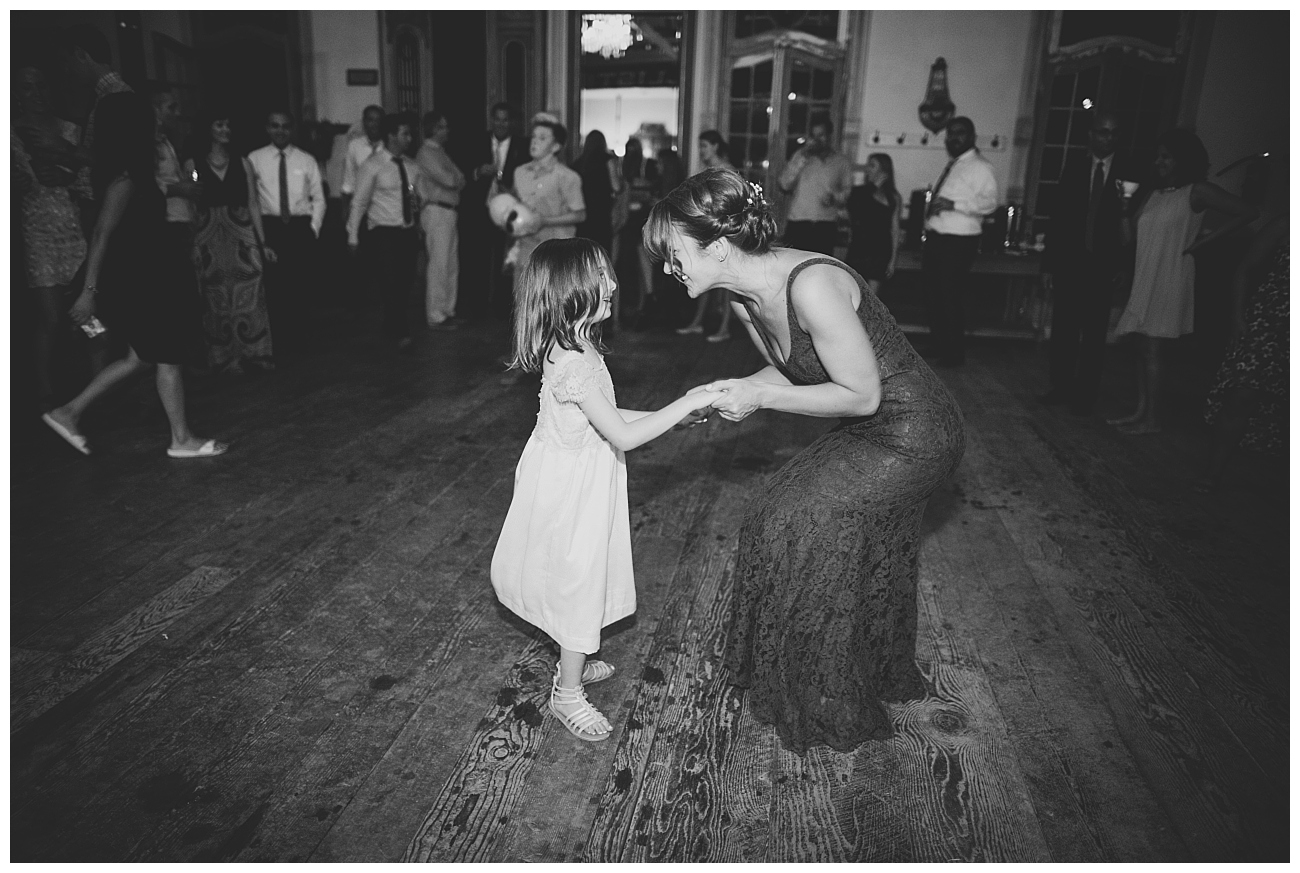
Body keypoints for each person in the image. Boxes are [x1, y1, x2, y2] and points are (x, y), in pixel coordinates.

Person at [643, 168, 965, 753]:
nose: (668, 268)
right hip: (871, 427)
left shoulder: (811, 285)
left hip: (915, 431)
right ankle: (839, 673)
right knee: (773, 516)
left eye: (673, 252)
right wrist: (728, 389)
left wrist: (759, 397)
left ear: (717, 245)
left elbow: (861, 395)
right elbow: (794, 370)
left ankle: (828, 696)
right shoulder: (744, 298)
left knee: (800, 520)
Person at [490, 237, 726, 742]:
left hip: (582, 472)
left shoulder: (579, 345)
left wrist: (669, 418)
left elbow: (606, 416)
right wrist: (684, 404)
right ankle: (567, 692)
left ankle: (574, 653)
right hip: (568, 488)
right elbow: (621, 434)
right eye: (601, 276)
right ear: (571, 288)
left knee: (585, 571)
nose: (614, 284)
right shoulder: (573, 362)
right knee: (575, 578)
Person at [41, 92, 225, 459]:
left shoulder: (134, 172)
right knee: (167, 354)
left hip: (149, 275)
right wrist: (89, 290)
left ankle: (68, 412)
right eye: (149, 118)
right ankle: (181, 439)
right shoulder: (125, 178)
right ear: (134, 129)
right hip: (143, 281)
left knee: (138, 358)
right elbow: (102, 234)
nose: (156, 123)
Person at [1107, 129, 1257, 434]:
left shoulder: (1197, 191)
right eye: (1157, 156)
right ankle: (1140, 412)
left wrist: (1204, 243)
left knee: (1153, 349)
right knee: (1141, 347)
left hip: (1169, 275)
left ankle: (1153, 420)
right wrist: (1124, 206)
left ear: (1183, 159)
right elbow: (1129, 240)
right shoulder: (1155, 193)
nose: (1158, 162)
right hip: (1145, 275)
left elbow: (1248, 211)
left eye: (1166, 156)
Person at [1038, 110, 1131, 416]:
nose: (1108, 138)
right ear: (1091, 135)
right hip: (1070, 262)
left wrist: (1125, 265)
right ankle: (1061, 385)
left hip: (1103, 265)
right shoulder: (1075, 166)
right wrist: (1048, 265)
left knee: (1094, 332)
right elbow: (1059, 218)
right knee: (1064, 328)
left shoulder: (1129, 170)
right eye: (1103, 131)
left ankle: (1087, 393)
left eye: (1114, 132)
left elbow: (1132, 225)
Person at [12, 64, 89, 410]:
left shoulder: (70, 130)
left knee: (88, 315)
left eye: (41, 85)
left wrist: (67, 176)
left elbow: (91, 179)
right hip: (37, 230)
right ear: (16, 93)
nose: (37, 94)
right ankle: (44, 392)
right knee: (51, 317)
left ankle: (96, 383)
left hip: (75, 228)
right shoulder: (9, 133)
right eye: (28, 87)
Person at [1197, 214, 1288, 490]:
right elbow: (1245, 269)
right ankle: (1212, 473)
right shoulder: (1286, 223)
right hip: (1269, 321)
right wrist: (1237, 316)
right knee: (1241, 394)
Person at [184, 109, 274, 373]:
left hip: (241, 231)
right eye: (219, 125)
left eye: (228, 125)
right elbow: (190, 207)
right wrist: (193, 242)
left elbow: (253, 203)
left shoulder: (243, 163)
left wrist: (262, 242)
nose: (225, 130)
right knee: (215, 296)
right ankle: (224, 358)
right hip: (209, 234)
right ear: (208, 129)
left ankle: (255, 353)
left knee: (251, 291)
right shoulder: (192, 164)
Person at [921, 116, 998, 366]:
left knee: (949, 295)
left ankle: (953, 354)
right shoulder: (956, 164)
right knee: (933, 295)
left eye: (960, 133)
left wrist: (955, 205)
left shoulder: (980, 166)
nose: (954, 138)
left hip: (958, 241)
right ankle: (938, 344)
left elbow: (990, 204)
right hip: (938, 238)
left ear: (972, 136)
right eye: (950, 133)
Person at [248, 110, 326, 353]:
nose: (280, 131)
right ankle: (278, 342)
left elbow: (319, 198)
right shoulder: (255, 159)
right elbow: (251, 199)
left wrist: (313, 228)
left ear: (291, 129)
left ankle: (299, 341)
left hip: (299, 228)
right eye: (275, 126)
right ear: (267, 128)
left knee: (299, 286)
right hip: (271, 227)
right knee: (274, 288)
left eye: (284, 126)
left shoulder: (306, 160)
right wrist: (259, 236)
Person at [347, 112, 424, 350]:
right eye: (405, 134)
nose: (409, 138)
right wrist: (352, 236)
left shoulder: (412, 166)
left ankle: (391, 323)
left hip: (406, 231)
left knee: (405, 281)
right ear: (391, 136)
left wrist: (418, 214)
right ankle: (401, 329)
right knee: (390, 281)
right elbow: (359, 202)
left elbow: (418, 198)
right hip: (383, 233)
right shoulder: (373, 165)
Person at [505, 118, 586, 294]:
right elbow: (515, 204)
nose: (534, 141)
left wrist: (544, 221)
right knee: (523, 302)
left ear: (556, 146)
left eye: (542, 138)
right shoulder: (520, 172)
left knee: (551, 303)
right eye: (533, 136)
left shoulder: (567, 176)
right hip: (525, 248)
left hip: (554, 250)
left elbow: (580, 215)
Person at [469, 102, 529, 318]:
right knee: (480, 256)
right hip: (482, 208)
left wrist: (512, 190)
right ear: (491, 120)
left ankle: (503, 306)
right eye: (497, 119)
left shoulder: (522, 145)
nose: (501, 124)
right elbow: (465, 172)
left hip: (510, 209)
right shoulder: (478, 141)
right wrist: (478, 172)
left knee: (506, 258)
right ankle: (478, 304)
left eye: (505, 120)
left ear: (510, 122)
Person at [678, 131, 738, 340]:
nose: (701, 150)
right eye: (700, 146)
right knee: (704, 275)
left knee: (727, 280)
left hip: (723, 229)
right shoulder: (703, 170)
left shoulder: (727, 170)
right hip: (706, 228)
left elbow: (731, 203)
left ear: (715, 146)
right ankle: (698, 322)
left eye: (704, 146)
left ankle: (724, 327)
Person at [415, 109, 466, 329]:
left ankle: (447, 311)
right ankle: (436, 315)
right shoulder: (426, 153)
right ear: (433, 129)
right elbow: (451, 180)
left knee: (451, 265)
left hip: (449, 211)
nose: (447, 130)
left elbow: (461, 178)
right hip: (436, 211)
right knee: (439, 265)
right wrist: (454, 179)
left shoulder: (440, 152)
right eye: (443, 127)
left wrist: (455, 179)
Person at [777, 114, 852, 256]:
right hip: (798, 223)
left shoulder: (841, 162)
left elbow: (847, 193)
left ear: (829, 136)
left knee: (821, 265)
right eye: (813, 135)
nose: (817, 140)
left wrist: (835, 198)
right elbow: (784, 185)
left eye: (821, 135)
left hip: (825, 225)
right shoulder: (800, 156)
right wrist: (802, 160)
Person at [846, 152, 902, 296]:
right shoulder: (859, 193)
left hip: (880, 251)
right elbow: (855, 211)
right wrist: (873, 187)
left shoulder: (893, 197)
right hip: (859, 249)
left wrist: (893, 260)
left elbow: (895, 230)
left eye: (872, 165)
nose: (867, 169)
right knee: (853, 294)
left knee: (872, 298)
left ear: (884, 170)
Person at [573, 129, 620, 255]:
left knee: (583, 252)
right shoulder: (608, 160)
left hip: (583, 211)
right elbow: (616, 186)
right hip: (602, 211)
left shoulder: (578, 163)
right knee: (601, 252)